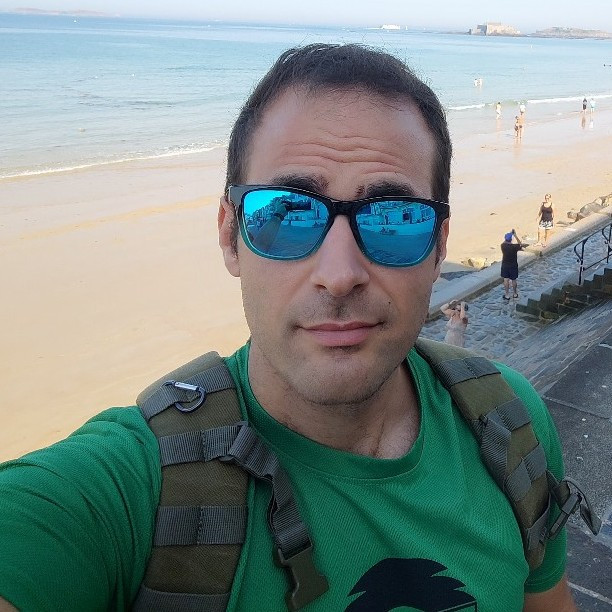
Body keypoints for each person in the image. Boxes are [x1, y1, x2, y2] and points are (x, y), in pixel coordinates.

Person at [0, 44, 578, 611]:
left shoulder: (509, 424)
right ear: (231, 236)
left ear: (439, 246)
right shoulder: (126, 490)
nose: (340, 275)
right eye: (289, 214)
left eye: (394, 218)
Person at [501, 229, 524, 299]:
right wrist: (515, 235)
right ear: (511, 239)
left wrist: (510, 234)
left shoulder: (503, 245)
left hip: (505, 265)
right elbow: (520, 244)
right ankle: (515, 293)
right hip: (513, 265)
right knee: (514, 280)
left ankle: (507, 295)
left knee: (506, 279)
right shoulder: (515, 247)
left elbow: (504, 241)